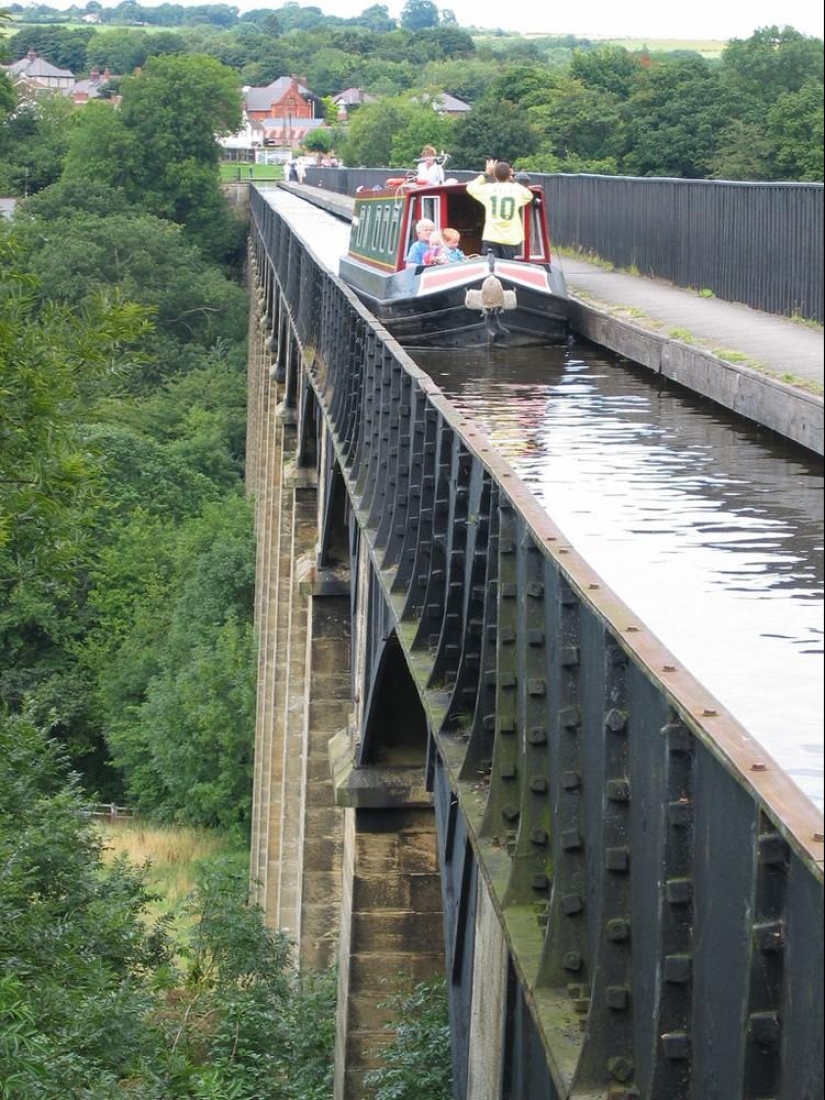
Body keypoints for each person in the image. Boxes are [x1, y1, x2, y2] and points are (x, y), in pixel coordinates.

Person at [466, 158, 533, 259]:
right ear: (509, 173)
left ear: (494, 175)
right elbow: (529, 195)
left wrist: (486, 173)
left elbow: (470, 187)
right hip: (510, 239)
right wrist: (512, 179)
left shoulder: (488, 189)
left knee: (490, 267)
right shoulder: (517, 190)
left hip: (491, 237)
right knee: (506, 269)